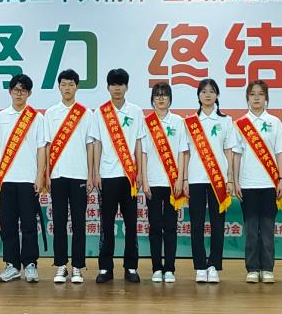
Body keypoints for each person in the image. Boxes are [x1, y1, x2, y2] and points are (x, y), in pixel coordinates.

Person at [0, 74, 48, 283]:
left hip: (28, 180)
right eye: (16, 89)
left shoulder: (37, 118)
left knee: (29, 224)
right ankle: (12, 265)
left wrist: (40, 176)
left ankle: (30, 264)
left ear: (29, 93)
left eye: (23, 90)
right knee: (7, 224)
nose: (19, 93)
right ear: (10, 91)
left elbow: (42, 149)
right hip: (6, 179)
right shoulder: (0, 118)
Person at [90, 68, 146, 284]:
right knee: (107, 224)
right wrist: (95, 172)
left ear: (127, 87)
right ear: (108, 87)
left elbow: (139, 143)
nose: (117, 88)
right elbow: (97, 144)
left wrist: (139, 172)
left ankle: (131, 266)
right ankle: (105, 267)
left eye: (120, 84)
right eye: (113, 84)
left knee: (131, 223)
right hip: (107, 175)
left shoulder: (136, 111)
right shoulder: (100, 112)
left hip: (129, 177)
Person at [230, 80, 282, 284]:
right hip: (247, 184)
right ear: (247, 98)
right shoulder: (240, 124)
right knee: (251, 230)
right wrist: (235, 181)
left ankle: (268, 268)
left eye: (260, 94)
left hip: (270, 184)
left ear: (266, 98)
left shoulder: (275, 122)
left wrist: (281, 178)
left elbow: (280, 153)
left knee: (268, 229)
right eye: (252, 94)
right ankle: (253, 268)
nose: (256, 97)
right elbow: (236, 155)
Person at [181, 78, 233, 283]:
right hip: (195, 178)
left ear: (217, 95)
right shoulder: (190, 122)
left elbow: (229, 151)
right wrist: (184, 178)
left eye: (211, 91)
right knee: (197, 224)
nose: (208, 94)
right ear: (198, 96)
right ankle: (200, 266)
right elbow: (185, 153)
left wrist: (230, 178)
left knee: (218, 224)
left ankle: (214, 265)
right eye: (204, 91)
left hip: (218, 180)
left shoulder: (226, 121)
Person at [45, 69, 93, 284]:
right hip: (57, 175)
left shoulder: (86, 113)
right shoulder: (51, 113)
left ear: (77, 87)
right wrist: (46, 173)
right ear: (58, 87)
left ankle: (77, 267)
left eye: (71, 84)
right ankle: (61, 265)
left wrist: (91, 174)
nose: (67, 88)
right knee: (59, 222)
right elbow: (47, 146)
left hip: (79, 175)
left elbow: (90, 145)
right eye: (63, 84)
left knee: (79, 223)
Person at [140, 82, 188, 283]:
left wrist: (181, 179)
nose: (161, 98)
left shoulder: (177, 121)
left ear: (170, 99)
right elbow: (142, 153)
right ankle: (156, 268)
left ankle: (169, 268)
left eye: (164, 95)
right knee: (154, 227)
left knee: (170, 227)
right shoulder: (146, 122)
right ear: (152, 99)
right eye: (157, 95)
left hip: (172, 183)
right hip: (152, 182)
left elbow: (182, 152)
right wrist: (144, 180)